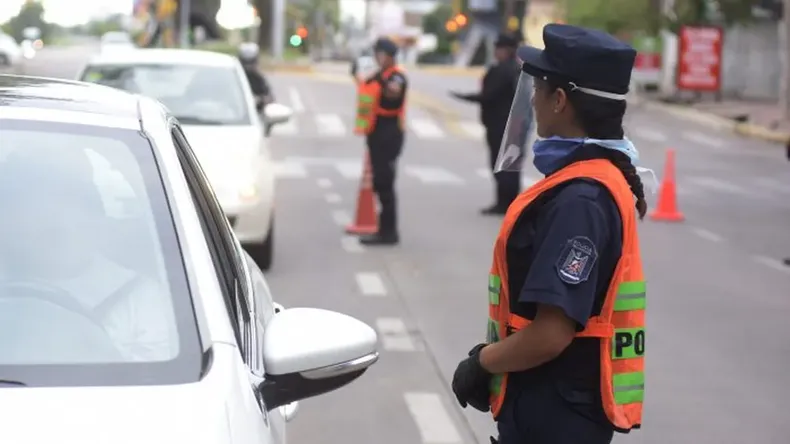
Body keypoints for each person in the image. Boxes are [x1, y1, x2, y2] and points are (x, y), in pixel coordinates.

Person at [450, 24, 650, 444]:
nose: (532, 100)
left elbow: (550, 335)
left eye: (538, 89)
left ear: (560, 100)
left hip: (556, 416)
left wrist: (483, 363)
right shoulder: (586, 181)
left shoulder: (580, 200)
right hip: (556, 409)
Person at [0, 148, 175, 363]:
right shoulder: (6, 279)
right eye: (30, 211)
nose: (47, 221)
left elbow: (150, 378)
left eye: (60, 216)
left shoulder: (140, 296)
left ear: (95, 219)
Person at [451, 33, 526, 215]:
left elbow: (488, 96)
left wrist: (464, 96)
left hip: (500, 124)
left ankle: (504, 204)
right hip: (515, 122)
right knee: (510, 165)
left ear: (507, 50)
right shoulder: (517, 68)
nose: (495, 52)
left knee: (502, 166)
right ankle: (510, 203)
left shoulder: (502, 70)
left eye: (498, 49)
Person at [353, 37, 408, 246]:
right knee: (379, 182)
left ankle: (389, 233)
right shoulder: (380, 75)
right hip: (376, 133)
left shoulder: (396, 76)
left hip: (389, 134)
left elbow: (394, 92)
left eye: (380, 54)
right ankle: (383, 229)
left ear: (389, 56)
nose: (377, 57)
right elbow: (365, 86)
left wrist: (381, 80)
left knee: (385, 183)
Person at [238, 42, 275, 134]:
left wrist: (259, 100)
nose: (248, 66)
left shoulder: (259, 79)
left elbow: (269, 99)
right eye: (245, 62)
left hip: (255, 119)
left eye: (251, 62)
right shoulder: (234, 77)